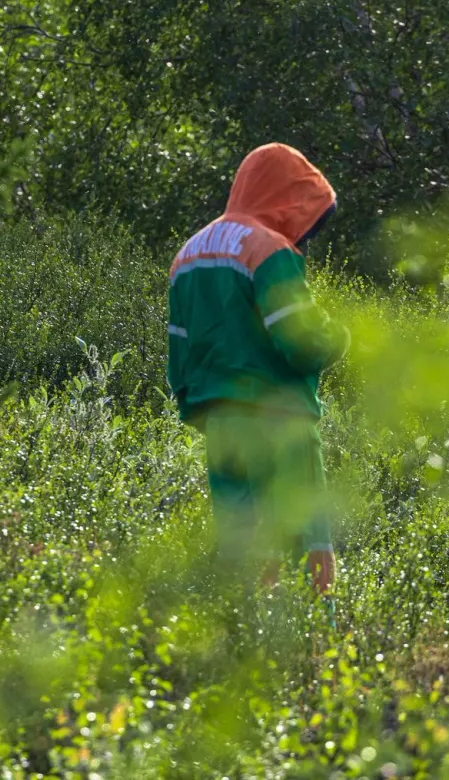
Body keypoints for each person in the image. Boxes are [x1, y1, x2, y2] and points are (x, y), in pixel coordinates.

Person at [167, 144, 350, 593]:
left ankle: (243, 645)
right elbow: (301, 343)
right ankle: (312, 653)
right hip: (281, 421)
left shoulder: (187, 254)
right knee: (310, 549)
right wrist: (339, 338)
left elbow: (179, 353)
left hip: (223, 426)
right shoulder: (269, 249)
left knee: (241, 553)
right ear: (286, 197)